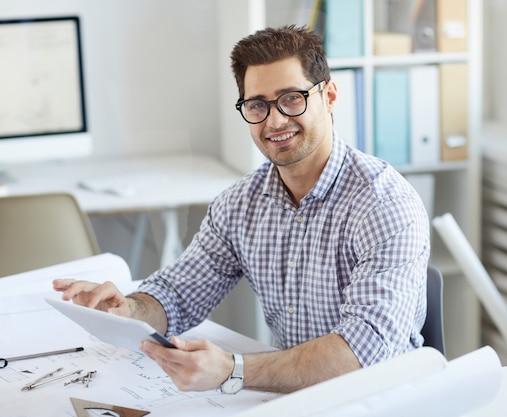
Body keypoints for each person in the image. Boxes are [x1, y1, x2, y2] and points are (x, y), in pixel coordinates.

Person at [54, 25, 430, 395]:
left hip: (384, 399)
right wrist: (128, 310)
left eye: (292, 98)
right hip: (296, 399)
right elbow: (178, 295)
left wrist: (234, 370)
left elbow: (361, 355)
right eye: (257, 105)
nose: (275, 120)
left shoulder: (384, 206)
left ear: (329, 97)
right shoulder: (241, 204)